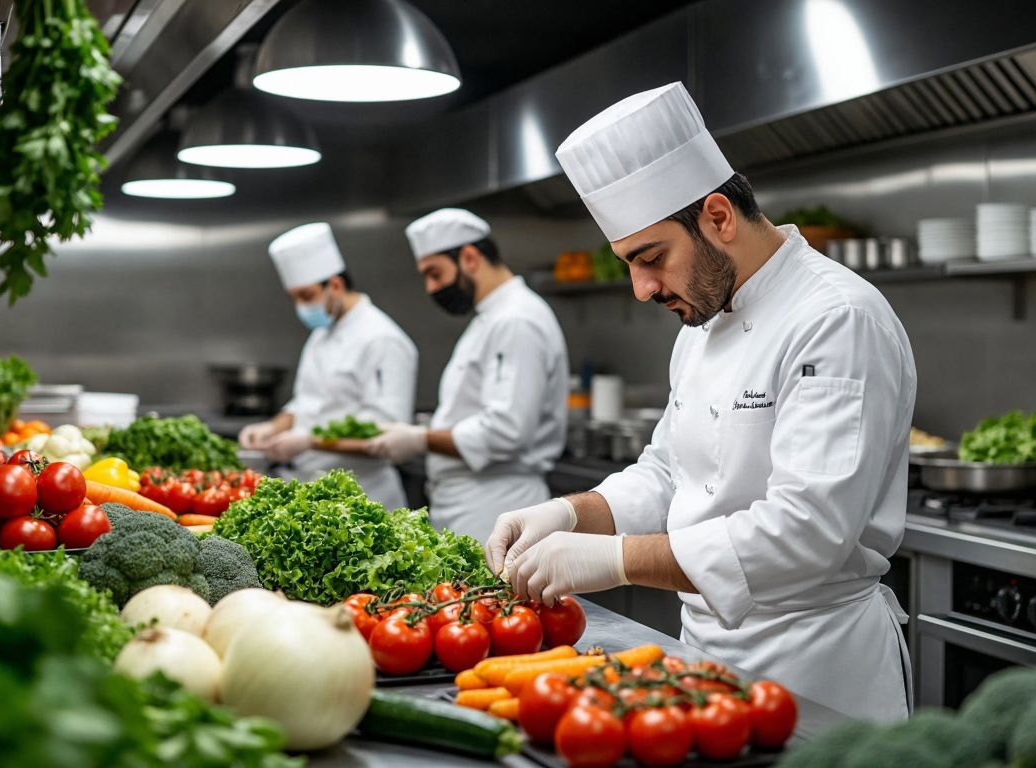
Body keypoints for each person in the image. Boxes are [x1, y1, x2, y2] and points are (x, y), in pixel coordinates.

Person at [488, 82, 917, 722]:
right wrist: (573, 514)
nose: (640, 289)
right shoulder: (703, 323)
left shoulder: (837, 317)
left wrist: (616, 559)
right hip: (704, 665)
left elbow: (807, 533)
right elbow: (669, 472)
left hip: (820, 670)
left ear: (719, 217)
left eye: (651, 258)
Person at [364, 209, 568, 544]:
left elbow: (506, 430)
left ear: (470, 257)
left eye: (435, 273)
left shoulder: (516, 320)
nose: (431, 288)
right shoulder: (490, 318)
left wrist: (419, 438)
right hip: (468, 503)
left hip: (496, 507)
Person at [239, 222, 418, 509]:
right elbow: (306, 403)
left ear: (335, 285)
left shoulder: (383, 339)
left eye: (306, 296)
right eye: (294, 298)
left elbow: (387, 432)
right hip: (312, 487)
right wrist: (272, 427)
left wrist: (309, 441)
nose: (301, 307)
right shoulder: (320, 335)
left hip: (364, 497)